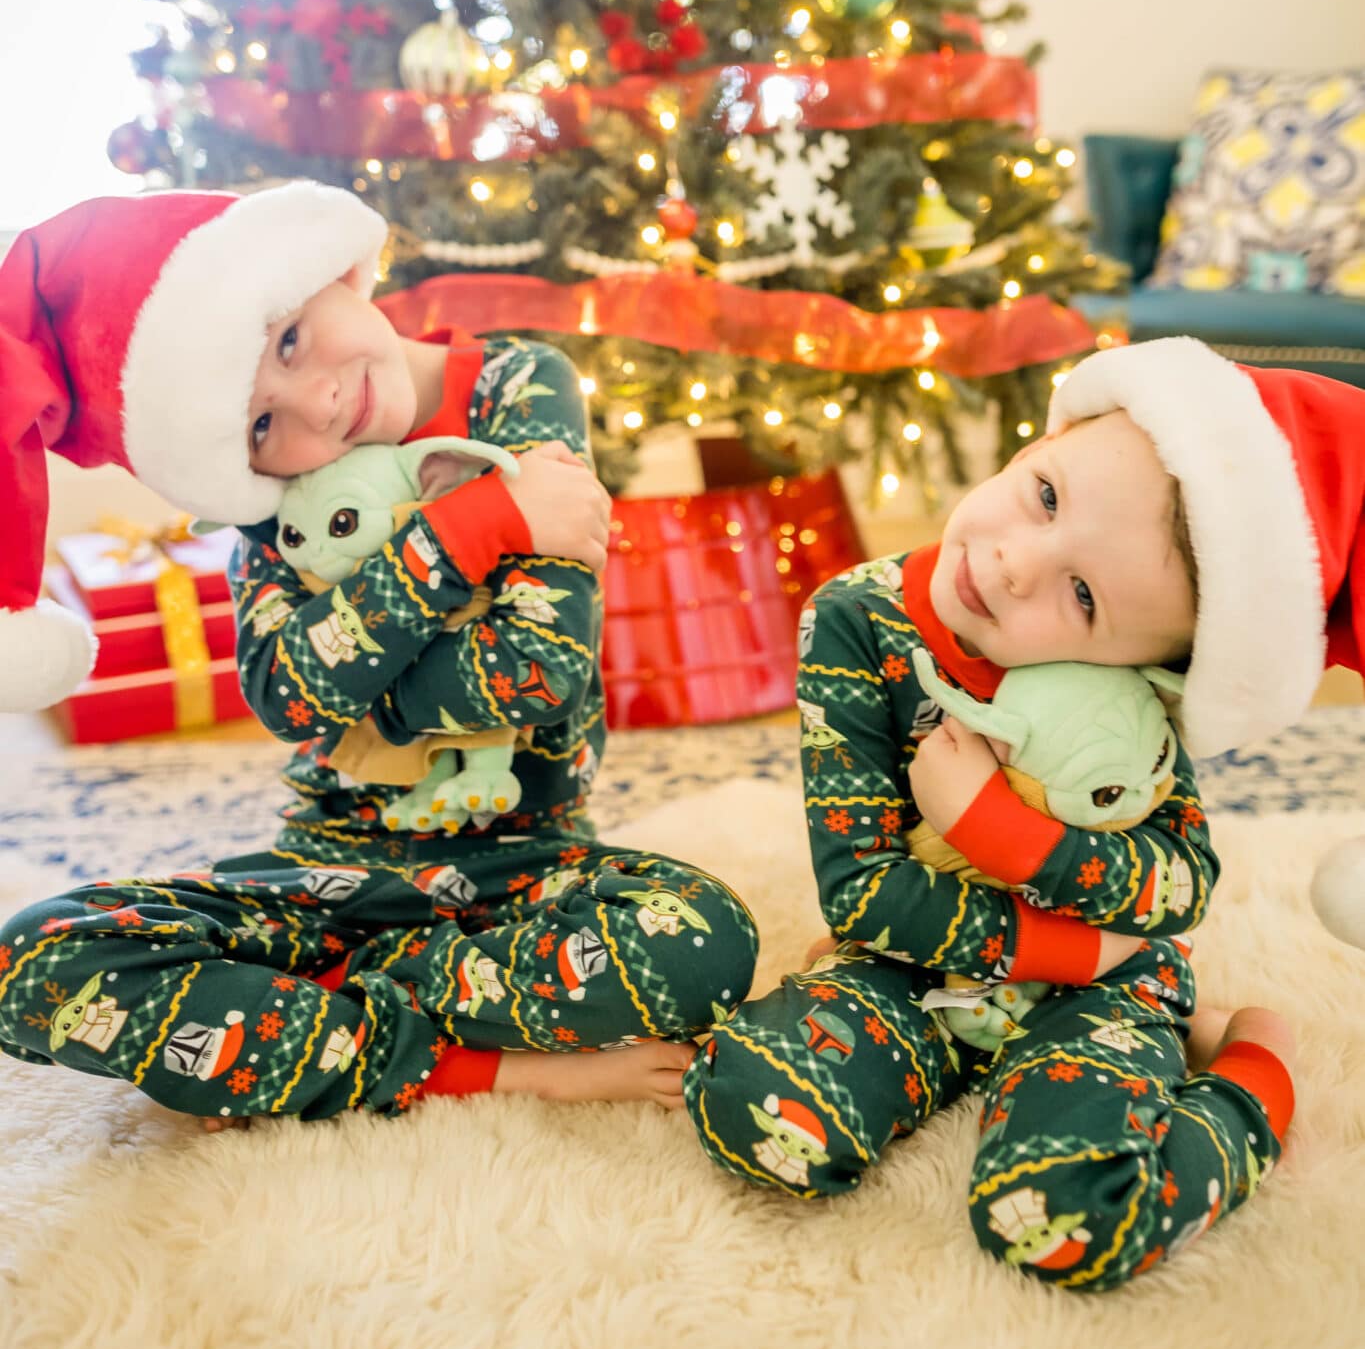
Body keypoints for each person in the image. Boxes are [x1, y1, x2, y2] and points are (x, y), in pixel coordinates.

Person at [0, 184, 757, 1124]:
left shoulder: (520, 387)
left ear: (318, 267)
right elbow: (286, 695)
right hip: (328, 878)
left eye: (285, 341)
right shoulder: (270, 499)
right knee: (33, 957)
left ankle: (299, 1034)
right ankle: (477, 1066)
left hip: (522, 869)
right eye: (259, 427)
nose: (315, 402)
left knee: (704, 941)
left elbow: (533, 669)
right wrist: (473, 529)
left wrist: (360, 683)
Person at [684, 339, 1365, 1290]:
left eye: (1082, 596)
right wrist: (1082, 943)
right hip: (937, 963)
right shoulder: (856, 617)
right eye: (1045, 495)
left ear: (1155, 660)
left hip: (1100, 995)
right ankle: (949, 1054)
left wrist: (998, 832)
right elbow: (862, 898)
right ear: (1045, 439)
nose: (1012, 563)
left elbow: (1178, 884)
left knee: (1067, 1223)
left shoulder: (1136, 685)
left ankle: (1251, 1063)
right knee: (754, 1104)